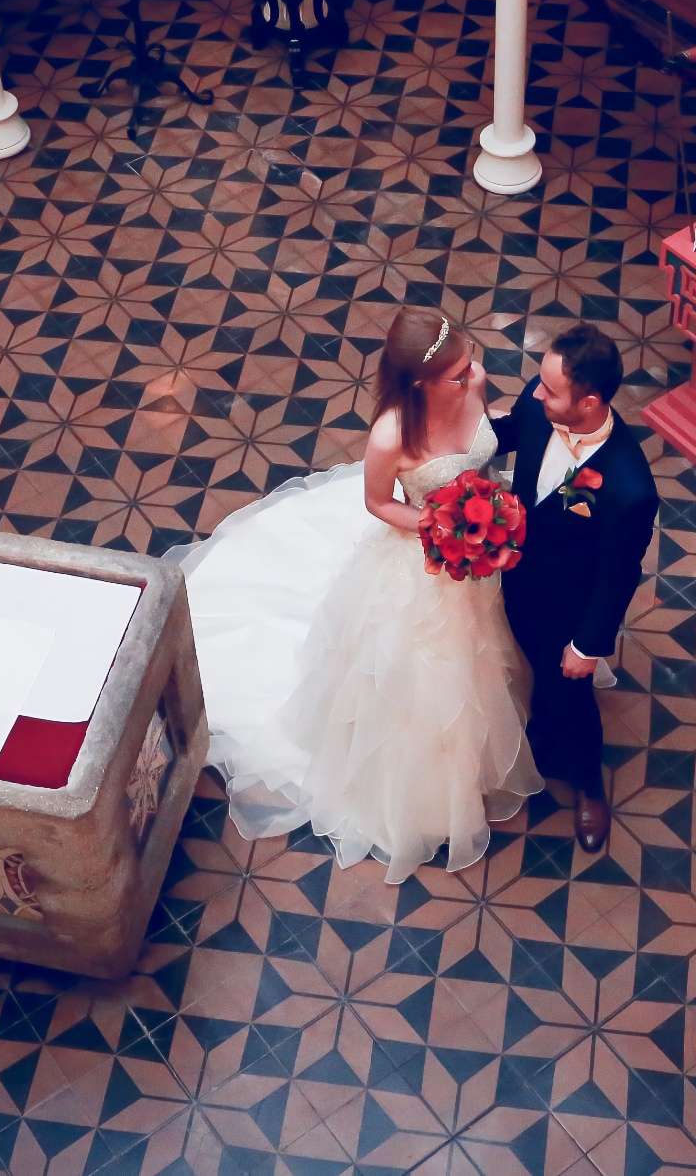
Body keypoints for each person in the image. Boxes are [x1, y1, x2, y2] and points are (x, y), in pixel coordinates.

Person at [169, 307, 541, 884]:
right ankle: (431, 786)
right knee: (429, 673)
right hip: (427, 561)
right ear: (419, 383)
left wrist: (489, 519)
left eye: (471, 364)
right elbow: (377, 502)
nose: (472, 376)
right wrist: (436, 528)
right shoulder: (392, 435)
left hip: (485, 546)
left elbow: (486, 442)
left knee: (494, 645)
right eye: (458, 374)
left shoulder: (476, 383)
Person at [491, 323, 660, 852]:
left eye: (549, 390)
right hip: (509, 574)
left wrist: (587, 645)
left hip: (566, 603)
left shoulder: (629, 487)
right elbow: (510, 433)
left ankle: (588, 785)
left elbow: (619, 573)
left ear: (588, 402)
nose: (535, 393)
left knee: (569, 694)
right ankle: (533, 731)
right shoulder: (539, 402)